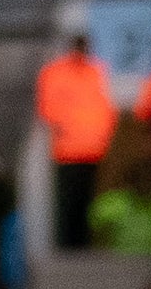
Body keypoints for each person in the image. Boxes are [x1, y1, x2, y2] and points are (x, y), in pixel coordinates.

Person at [35, 34, 116, 252]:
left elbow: (104, 107)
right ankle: (68, 246)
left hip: (93, 151)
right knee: (69, 202)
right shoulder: (55, 72)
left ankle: (83, 245)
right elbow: (47, 108)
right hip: (68, 151)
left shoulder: (96, 71)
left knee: (88, 201)